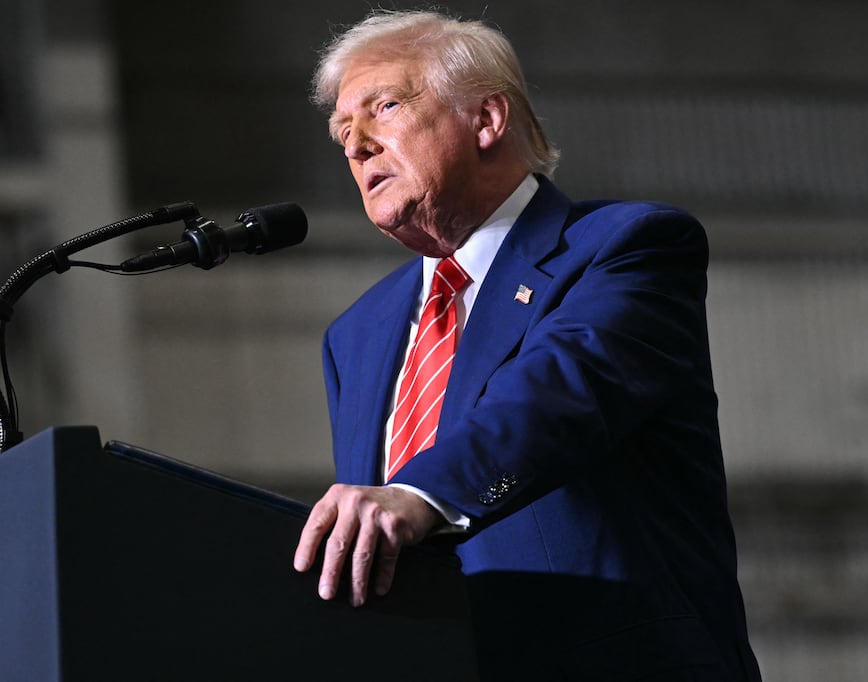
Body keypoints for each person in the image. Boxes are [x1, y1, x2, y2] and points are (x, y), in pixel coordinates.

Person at [293, 9, 761, 681]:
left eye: (385, 107)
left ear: (487, 119)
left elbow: (558, 397)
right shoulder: (357, 334)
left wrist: (422, 494)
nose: (356, 145)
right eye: (342, 130)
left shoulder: (626, 246)